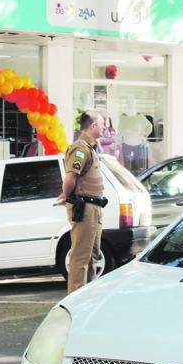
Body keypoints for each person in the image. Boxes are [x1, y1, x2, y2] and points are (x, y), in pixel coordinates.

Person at [58, 110, 106, 294]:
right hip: (84, 207)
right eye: (102, 124)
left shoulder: (90, 148)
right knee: (81, 257)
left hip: (93, 207)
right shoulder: (81, 148)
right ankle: (75, 299)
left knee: (93, 256)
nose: (104, 128)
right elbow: (70, 178)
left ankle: (89, 296)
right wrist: (67, 195)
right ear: (93, 126)